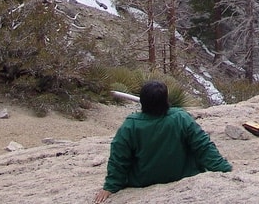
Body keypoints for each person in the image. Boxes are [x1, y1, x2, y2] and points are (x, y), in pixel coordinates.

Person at [95, 80, 231, 202]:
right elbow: (203, 147)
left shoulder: (130, 125)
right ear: (166, 100)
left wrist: (110, 186)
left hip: (143, 180)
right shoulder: (181, 118)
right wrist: (224, 169)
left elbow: (118, 158)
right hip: (182, 174)